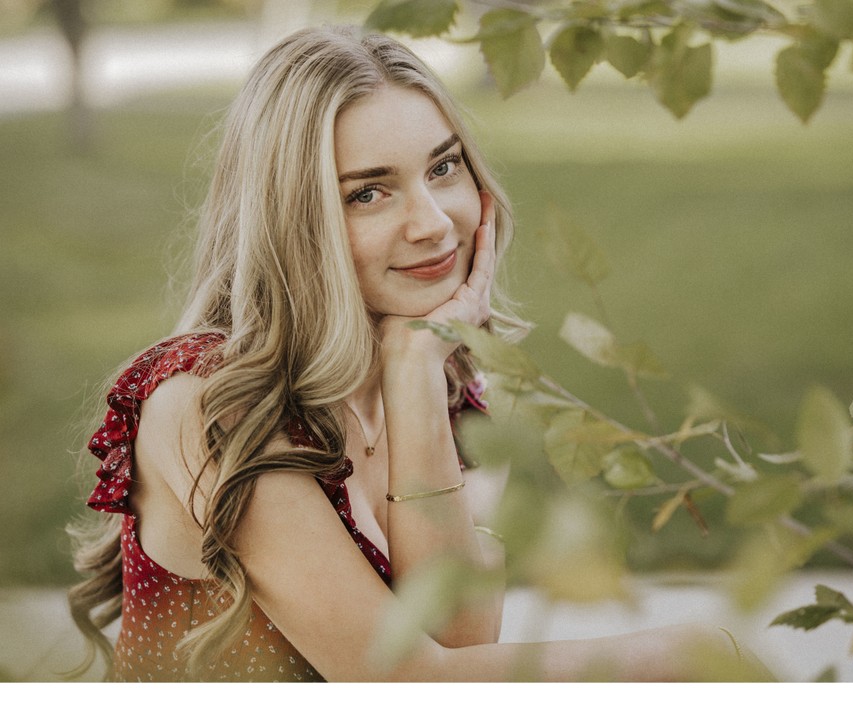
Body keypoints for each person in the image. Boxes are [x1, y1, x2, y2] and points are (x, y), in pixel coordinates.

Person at [67, 24, 747, 682]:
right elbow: (408, 683)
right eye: (368, 192)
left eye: (443, 167)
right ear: (290, 221)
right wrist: (690, 653)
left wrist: (416, 372)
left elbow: (459, 643)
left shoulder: (461, 394)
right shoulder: (206, 405)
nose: (432, 223)